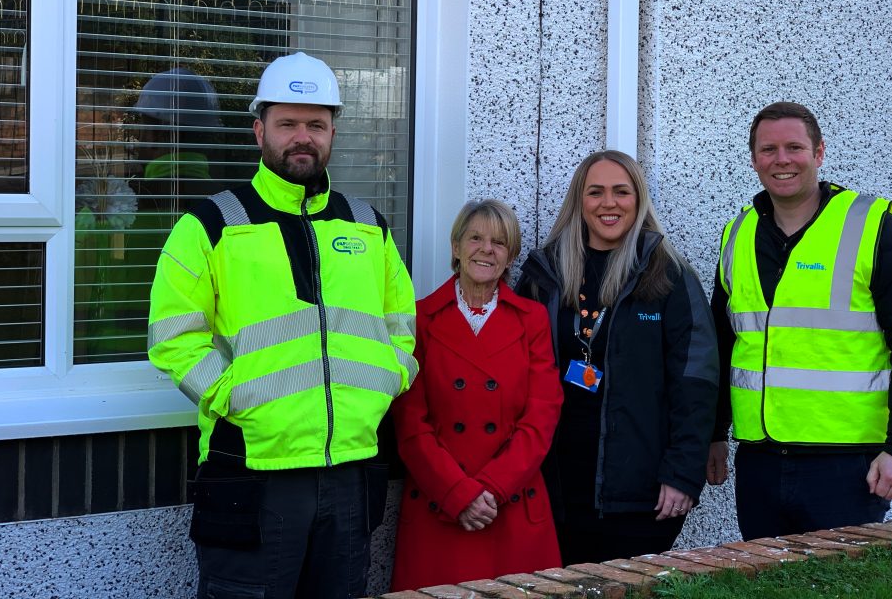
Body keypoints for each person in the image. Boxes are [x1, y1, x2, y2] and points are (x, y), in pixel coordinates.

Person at [147, 51, 417, 599]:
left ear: (333, 132)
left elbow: (401, 330)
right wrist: (239, 397)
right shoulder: (211, 225)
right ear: (258, 130)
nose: (302, 137)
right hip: (251, 467)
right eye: (287, 123)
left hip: (349, 470)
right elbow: (173, 338)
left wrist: (384, 385)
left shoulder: (367, 227)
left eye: (315, 124)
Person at [707, 101, 892, 540]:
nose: (781, 160)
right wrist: (714, 432)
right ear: (754, 158)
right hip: (758, 460)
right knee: (768, 584)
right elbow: (721, 344)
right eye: (768, 149)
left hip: (847, 465)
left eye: (794, 147)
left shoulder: (874, 227)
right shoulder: (737, 234)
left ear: (819, 153)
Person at [517, 150, 719, 565]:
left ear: (638, 199)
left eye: (621, 192)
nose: (609, 203)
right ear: (580, 200)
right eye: (596, 192)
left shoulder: (670, 276)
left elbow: (696, 383)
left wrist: (682, 474)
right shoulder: (544, 274)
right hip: (555, 485)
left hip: (639, 493)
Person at [390, 199, 563, 590]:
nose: (486, 249)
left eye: (499, 243)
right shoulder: (420, 319)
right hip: (440, 505)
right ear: (456, 247)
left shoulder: (532, 320)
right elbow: (409, 422)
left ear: (511, 257)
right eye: (475, 238)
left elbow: (542, 415)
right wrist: (457, 493)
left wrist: (492, 489)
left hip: (511, 505)